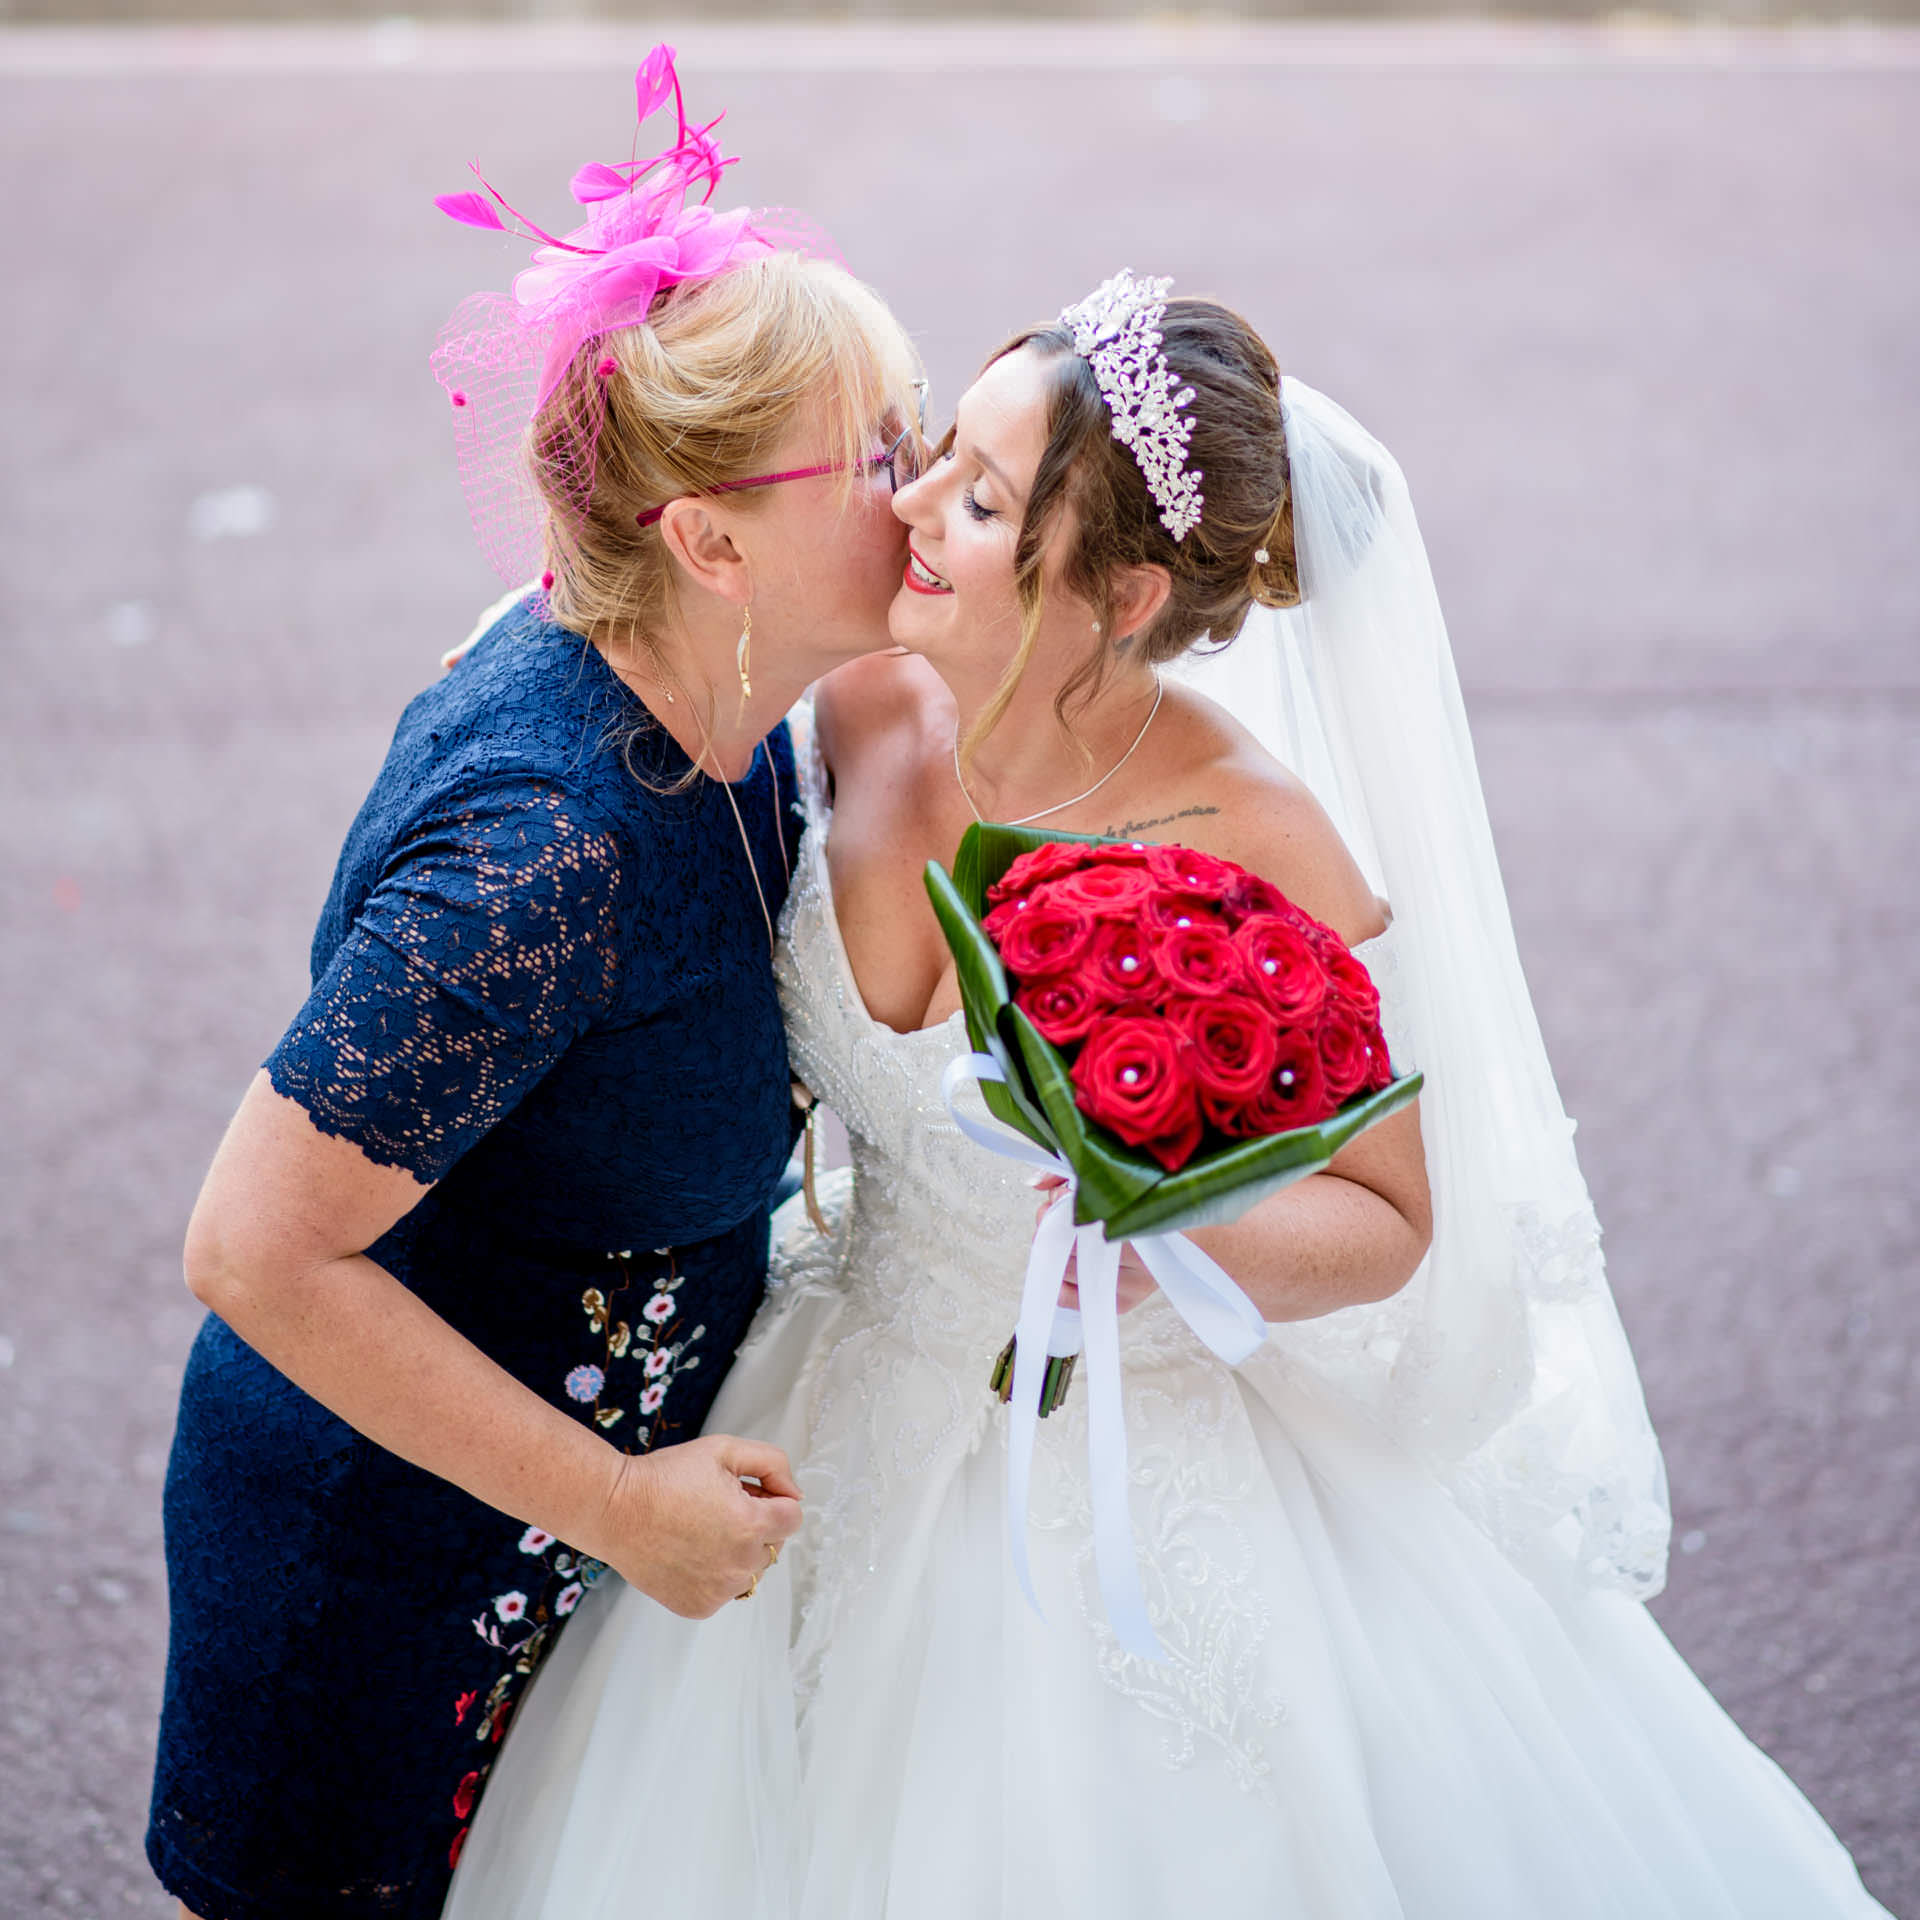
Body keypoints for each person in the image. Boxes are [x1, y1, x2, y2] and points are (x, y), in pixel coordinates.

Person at [443, 275, 1895, 1916]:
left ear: (1123, 592)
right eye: (935, 454)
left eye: (979, 502)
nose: (910, 505)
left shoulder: (1252, 834)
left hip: (1118, 1452)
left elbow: (1391, 1217)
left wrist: (1161, 1217)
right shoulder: (861, 692)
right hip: (834, 1386)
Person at [144, 54, 925, 1920]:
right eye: (880, 454)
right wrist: (621, 1508)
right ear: (709, 538)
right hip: (387, 1576)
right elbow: (255, 1251)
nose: (935, 481)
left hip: (564, 1556)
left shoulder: (707, 681)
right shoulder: (545, 856)